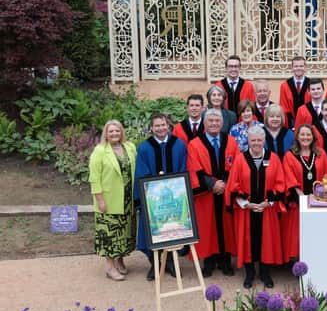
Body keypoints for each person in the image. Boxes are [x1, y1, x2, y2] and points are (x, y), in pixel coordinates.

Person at [226, 126, 285, 289]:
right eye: (253, 140)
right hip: (247, 211)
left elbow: (280, 183)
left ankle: (265, 273)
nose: (257, 143)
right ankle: (250, 273)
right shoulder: (240, 159)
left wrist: (268, 202)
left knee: (267, 241)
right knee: (247, 241)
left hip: (267, 210)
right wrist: (247, 204)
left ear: (264, 141)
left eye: (260, 140)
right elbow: (233, 184)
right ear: (249, 141)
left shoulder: (273, 158)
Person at [134, 114, 188, 280]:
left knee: (173, 227)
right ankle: (154, 264)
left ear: (168, 125)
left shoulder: (178, 145)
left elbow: (183, 168)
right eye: (157, 126)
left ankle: (170, 262)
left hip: (172, 200)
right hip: (153, 199)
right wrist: (149, 193)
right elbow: (140, 173)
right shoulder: (145, 147)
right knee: (151, 228)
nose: (160, 128)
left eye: (163, 125)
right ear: (151, 128)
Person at [187, 109, 239, 277]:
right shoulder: (195, 144)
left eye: (217, 120)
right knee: (207, 227)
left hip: (225, 192)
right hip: (206, 194)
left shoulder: (231, 141)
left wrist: (224, 184)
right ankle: (208, 262)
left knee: (226, 227)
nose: (214, 123)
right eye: (211, 121)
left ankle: (225, 261)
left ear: (222, 123)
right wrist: (212, 184)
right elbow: (195, 169)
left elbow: (236, 166)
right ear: (204, 123)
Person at [89, 120, 137, 281]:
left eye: (117, 131)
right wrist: (100, 200)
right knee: (111, 235)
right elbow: (94, 179)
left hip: (128, 200)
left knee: (125, 233)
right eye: (111, 131)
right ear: (106, 134)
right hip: (109, 201)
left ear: (121, 132)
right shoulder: (100, 151)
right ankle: (109, 267)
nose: (115, 134)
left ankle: (120, 260)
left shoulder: (129, 147)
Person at [282, 125, 327, 263]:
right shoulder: (289, 156)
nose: (305, 137)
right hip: (298, 203)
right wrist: (302, 196)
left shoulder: (321, 154)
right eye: (302, 135)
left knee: (316, 234)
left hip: (318, 202)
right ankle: (298, 263)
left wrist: (318, 195)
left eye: (308, 135)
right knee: (297, 234)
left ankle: (316, 260)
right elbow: (288, 176)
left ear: (313, 137)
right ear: (297, 137)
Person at [279, 56, 311, 128]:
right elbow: (284, 106)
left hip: (309, 121)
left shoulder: (311, 84)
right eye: (296, 66)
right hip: (291, 122)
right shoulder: (285, 85)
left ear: (305, 67)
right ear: (292, 68)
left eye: (301, 66)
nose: (298, 68)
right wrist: (291, 123)